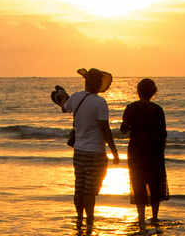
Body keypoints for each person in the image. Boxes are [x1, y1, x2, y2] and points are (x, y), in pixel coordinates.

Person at [50, 67, 119, 224]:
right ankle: (90, 221)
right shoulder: (100, 103)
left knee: (79, 187)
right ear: (99, 84)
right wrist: (114, 151)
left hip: (79, 151)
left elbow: (64, 108)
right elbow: (104, 128)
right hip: (95, 152)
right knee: (90, 190)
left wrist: (62, 98)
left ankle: (80, 219)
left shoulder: (75, 97)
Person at [118, 77, 168, 224]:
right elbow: (163, 135)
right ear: (153, 93)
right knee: (155, 183)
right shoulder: (158, 110)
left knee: (138, 181)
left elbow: (123, 130)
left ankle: (140, 218)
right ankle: (155, 217)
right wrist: (161, 151)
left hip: (137, 148)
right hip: (155, 148)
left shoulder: (131, 108)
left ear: (138, 92)